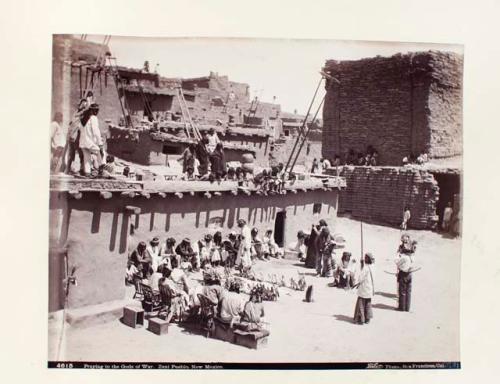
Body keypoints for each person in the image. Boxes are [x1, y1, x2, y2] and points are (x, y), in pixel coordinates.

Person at [79, 103, 103, 177]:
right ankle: (101, 169)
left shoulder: (84, 118)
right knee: (99, 151)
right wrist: (100, 143)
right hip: (89, 142)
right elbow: (96, 131)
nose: (97, 112)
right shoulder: (93, 118)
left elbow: (80, 129)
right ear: (94, 111)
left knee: (87, 157)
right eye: (96, 110)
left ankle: (87, 172)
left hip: (83, 142)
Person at [395, 237, 417, 312]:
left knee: (402, 291)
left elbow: (397, 262)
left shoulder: (404, 257)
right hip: (410, 274)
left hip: (403, 274)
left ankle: (402, 307)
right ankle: (407, 308)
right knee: (408, 292)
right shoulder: (413, 257)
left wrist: (398, 254)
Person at [353, 253, 375, 324]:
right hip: (370, 288)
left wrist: (362, 267)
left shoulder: (365, 268)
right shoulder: (373, 266)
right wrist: (362, 265)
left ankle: (361, 319)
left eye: (365, 258)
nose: (364, 259)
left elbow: (360, 278)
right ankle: (367, 319)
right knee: (368, 303)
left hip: (364, 288)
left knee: (361, 304)